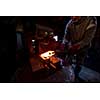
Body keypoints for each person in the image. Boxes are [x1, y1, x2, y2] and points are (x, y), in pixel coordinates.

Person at [62, 16, 97, 81]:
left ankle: (75, 75)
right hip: (72, 46)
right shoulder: (70, 23)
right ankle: (66, 74)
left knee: (79, 62)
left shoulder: (91, 20)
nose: (72, 17)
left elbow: (87, 39)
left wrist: (76, 46)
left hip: (84, 47)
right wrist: (64, 43)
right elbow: (66, 36)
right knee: (67, 60)